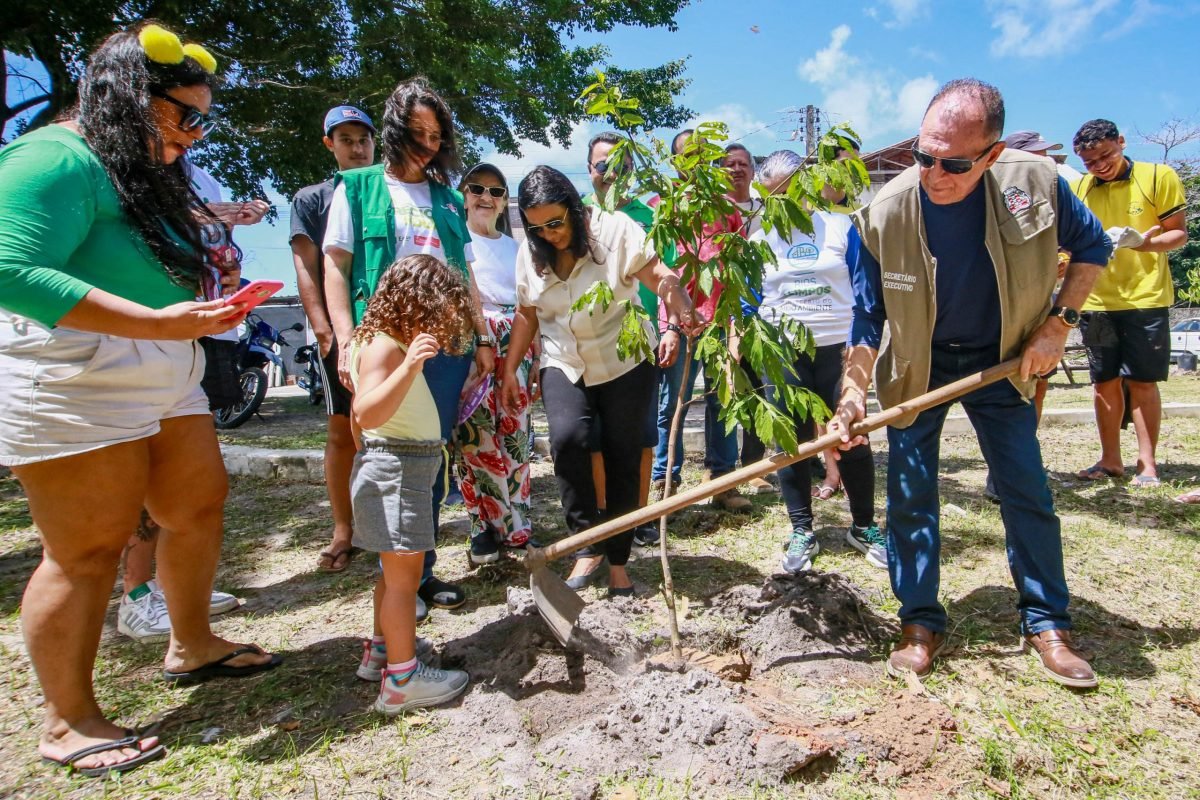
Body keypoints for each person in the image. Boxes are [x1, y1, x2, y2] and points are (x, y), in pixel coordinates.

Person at [0, 23, 281, 776]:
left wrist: (206, 297)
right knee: (87, 548)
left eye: (202, 120)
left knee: (197, 501)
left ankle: (192, 644)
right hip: (74, 372)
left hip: (162, 363)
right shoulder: (53, 156)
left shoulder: (144, 171)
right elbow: (9, 266)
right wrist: (154, 320)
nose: (194, 134)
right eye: (184, 115)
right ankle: (69, 720)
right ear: (127, 96)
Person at [831, 78, 1111, 687]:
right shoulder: (880, 214)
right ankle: (918, 621)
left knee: (1025, 488)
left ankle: (1047, 621)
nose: (935, 175)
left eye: (955, 164)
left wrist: (1058, 325)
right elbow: (866, 318)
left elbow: (1094, 247)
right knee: (910, 495)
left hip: (1003, 361)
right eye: (923, 156)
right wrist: (852, 396)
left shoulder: (1036, 183)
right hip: (919, 367)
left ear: (992, 153)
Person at [324, 77, 494, 621]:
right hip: (383, 345)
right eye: (418, 133)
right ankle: (394, 582)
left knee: (429, 459)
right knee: (385, 458)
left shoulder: (448, 199)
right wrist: (345, 339)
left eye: (436, 135)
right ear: (395, 132)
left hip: (446, 347)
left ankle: (420, 572)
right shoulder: (356, 188)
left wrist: (481, 336)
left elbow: (466, 273)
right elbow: (336, 267)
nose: (428, 144)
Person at [500, 166, 700, 596]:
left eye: (556, 223)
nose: (549, 234)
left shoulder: (615, 230)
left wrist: (681, 305)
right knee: (568, 441)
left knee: (623, 454)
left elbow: (658, 274)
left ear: (574, 208)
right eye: (537, 228)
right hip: (563, 360)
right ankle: (586, 545)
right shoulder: (530, 253)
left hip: (624, 357)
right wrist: (509, 369)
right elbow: (527, 313)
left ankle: (619, 564)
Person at [117, 157, 270, 641]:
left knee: (187, 481)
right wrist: (202, 216)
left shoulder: (203, 177)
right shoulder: (119, 164)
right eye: (184, 120)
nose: (194, 131)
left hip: (205, 333)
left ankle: (173, 589)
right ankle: (137, 593)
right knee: (141, 470)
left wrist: (229, 244)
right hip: (141, 335)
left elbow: (210, 251)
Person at [749, 150, 886, 572]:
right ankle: (801, 529)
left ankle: (863, 526)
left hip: (837, 350)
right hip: (782, 352)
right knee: (789, 441)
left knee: (851, 436)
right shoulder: (759, 241)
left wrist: (858, 348)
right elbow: (749, 301)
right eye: (772, 195)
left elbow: (866, 296)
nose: (782, 202)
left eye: (789, 191)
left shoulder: (843, 229)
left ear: (807, 186)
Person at [349, 255, 472, 714]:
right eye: (436, 314)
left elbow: (358, 425)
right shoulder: (386, 348)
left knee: (392, 576)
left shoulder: (378, 341)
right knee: (404, 584)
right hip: (398, 471)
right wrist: (409, 368)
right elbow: (365, 412)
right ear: (413, 302)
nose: (440, 326)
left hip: (399, 468)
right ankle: (402, 682)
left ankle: (382, 652)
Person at [1071, 119, 1188, 488]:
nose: (1099, 166)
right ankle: (1110, 460)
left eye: (1105, 155)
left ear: (1121, 142)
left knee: (1142, 381)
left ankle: (1147, 464)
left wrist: (1143, 243)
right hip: (1096, 299)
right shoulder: (1079, 188)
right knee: (1103, 381)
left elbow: (1178, 233)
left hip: (1144, 297)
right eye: (1090, 162)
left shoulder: (1158, 176)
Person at [290, 104, 377, 572]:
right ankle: (343, 529)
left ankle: (388, 526)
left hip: (392, 334)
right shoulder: (312, 199)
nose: (357, 148)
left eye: (364, 139)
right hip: (342, 336)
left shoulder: (388, 192)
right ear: (329, 144)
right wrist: (325, 330)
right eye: (346, 139)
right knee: (343, 432)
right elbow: (308, 267)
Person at [651, 129, 751, 515]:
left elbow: (735, 271)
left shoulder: (726, 208)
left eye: (704, 156)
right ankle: (666, 483)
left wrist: (734, 328)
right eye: (688, 156)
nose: (698, 163)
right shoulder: (664, 207)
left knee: (722, 401)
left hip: (718, 321)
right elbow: (658, 273)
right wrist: (670, 326)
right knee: (671, 405)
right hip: (679, 323)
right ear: (676, 163)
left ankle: (723, 481)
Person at [454, 163, 538, 565]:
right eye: (477, 189)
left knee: (515, 434)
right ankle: (482, 528)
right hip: (472, 341)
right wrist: (479, 339)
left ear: (505, 202)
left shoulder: (517, 247)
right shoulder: (455, 239)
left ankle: (517, 524)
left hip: (517, 343)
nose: (486, 197)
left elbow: (530, 304)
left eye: (496, 191)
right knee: (475, 437)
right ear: (463, 196)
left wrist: (536, 354)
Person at [582, 131, 662, 549]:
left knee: (641, 434)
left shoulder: (650, 216)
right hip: (590, 342)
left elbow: (666, 276)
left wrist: (668, 328)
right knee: (595, 437)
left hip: (641, 341)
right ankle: (603, 519)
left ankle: (639, 516)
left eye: (622, 166)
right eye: (603, 165)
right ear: (589, 169)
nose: (612, 173)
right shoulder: (576, 214)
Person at [722, 142, 776, 496]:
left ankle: (754, 465)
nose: (737, 169)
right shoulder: (712, 210)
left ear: (753, 172)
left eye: (743, 164)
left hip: (760, 307)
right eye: (731, 164)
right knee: (725, 389)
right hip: (721, 306)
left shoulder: (765, 211)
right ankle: (721, 469)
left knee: (758, 386)